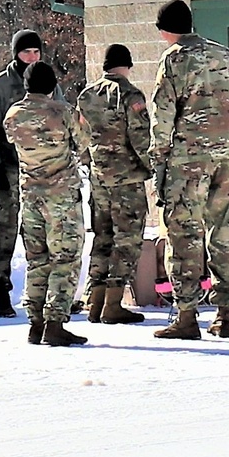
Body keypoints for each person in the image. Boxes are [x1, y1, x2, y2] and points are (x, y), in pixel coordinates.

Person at [149, 0, 229, 340]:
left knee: (183, 234)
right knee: (224, 229)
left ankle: (187, 315)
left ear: (165, 29)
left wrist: (158, 158)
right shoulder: (225, 56)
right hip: (228, 154)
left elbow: (163, 112)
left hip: (189, 157)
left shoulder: (174, 58)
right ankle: (224, 314)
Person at [0, 28, 64, 318]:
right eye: (26, 52)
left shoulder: (47, 82)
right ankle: (1, 289)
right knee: (7, 229)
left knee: (40, 232)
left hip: (42, 171)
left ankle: (46, 294)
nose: (32, 57)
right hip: (10, 168)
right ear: (15, 54)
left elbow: (62, 118)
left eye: (36, 52)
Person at [3, 61, 90, 346]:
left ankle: (34, 322)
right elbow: (84, 141)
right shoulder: (63, 113)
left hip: (30, 196)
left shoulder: (13, 115)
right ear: (53, 85)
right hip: (61, 197)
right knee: (64, 258)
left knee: (37, 259)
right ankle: (55, 322)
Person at [76, 44, 152, 325]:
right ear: (127, 65)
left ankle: (94, 303)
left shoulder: (86, 96)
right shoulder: (131, 95)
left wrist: (91, 163)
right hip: (127, 180)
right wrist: (154, 168)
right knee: (128, 239)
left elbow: (81, 139)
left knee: (103, 237)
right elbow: (141, 139)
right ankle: (113, 303)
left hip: (98, 179)